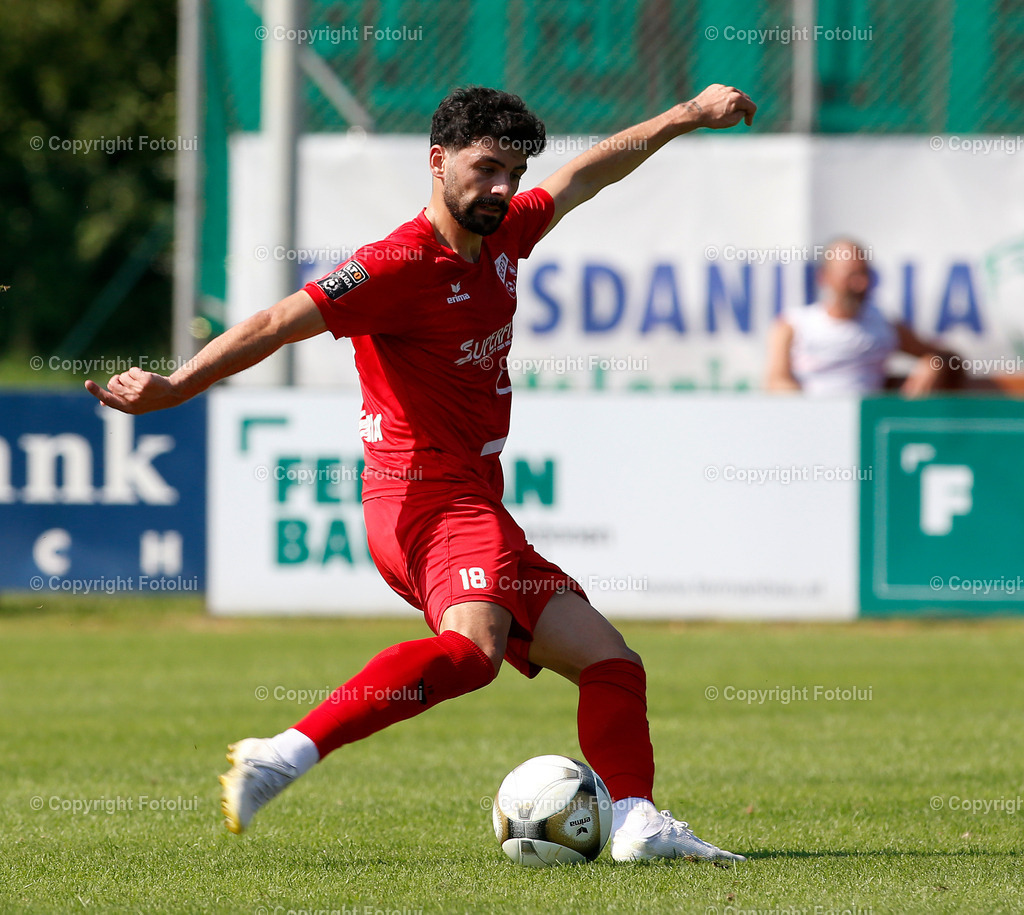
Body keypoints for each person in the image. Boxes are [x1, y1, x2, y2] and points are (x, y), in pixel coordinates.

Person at [86, 84, 756, 863]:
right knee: (472, 652)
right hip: (423, 497)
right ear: (437, 162)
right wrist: (177, 387)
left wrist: (681, 116)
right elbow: (274, 322)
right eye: (485, 169)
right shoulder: (396, 264)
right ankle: (284, 752)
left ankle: (636, 821)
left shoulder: (504, 235)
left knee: (612, 664)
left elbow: (587, 176)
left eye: (511, 171)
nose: (502, 188)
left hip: (475, 502)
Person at [765, 238, 957, 395]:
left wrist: (933, 364)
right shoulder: (793, 325)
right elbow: (776, 381)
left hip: (866, 429)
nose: (860, 285)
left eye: (864, 275)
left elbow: (948, 358)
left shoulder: (883, 324)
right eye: (851, 276)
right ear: (824, 277)